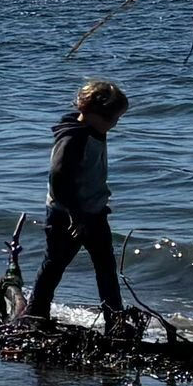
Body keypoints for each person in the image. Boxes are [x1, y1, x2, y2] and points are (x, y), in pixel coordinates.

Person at [25, 78, 130, 330]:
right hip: (68, 215)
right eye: (112, 119)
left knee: (106, 267)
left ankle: (114, 320)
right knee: (55, 263)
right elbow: (58, 178)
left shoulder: (94, 131)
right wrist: (75, 215)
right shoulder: (74, 138)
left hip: (94, 212)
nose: (115, 124)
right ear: (92, 113)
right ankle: (35, 313)